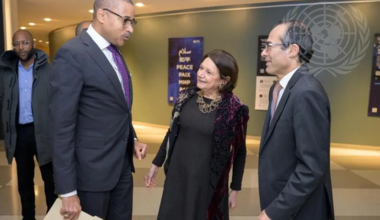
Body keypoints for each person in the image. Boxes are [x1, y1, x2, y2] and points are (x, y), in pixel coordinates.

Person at [49, 0, 148, 220]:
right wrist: (67, 191)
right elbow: (61, 127)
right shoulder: (72, 54)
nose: (130, 28)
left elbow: (115, 108)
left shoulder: (114, 53)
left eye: (133, 22)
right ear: (102, 15)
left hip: (121, 167)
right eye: (126, 20)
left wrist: (133, 138)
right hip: (91, 175)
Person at [145, 49, 250, 220]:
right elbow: (172, 133)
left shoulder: (235, 109)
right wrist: (155, 164)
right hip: (177, 176)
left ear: (224, 80)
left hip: (207, 183)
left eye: (209, 72)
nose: (200, 74)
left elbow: (240, 152)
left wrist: (235, 189)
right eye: (201, 68)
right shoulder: (185, 97)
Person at [257, 20, 335, 220]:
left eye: (269, 46)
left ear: (292, 50)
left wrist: (275, 211)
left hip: (300, 210)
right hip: (283, 201)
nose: (263, 53)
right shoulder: (279, 89)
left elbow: (311, 167)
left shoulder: (307, 92)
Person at [0, 30, 57, 220]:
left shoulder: (48, 69)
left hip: (44, 132)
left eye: (25, 43)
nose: (21, 48)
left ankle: (53, 216)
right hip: (20, 134)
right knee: (24, 183)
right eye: (16, 44)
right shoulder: (7, 71)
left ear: (32, 43)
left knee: (51, 182)